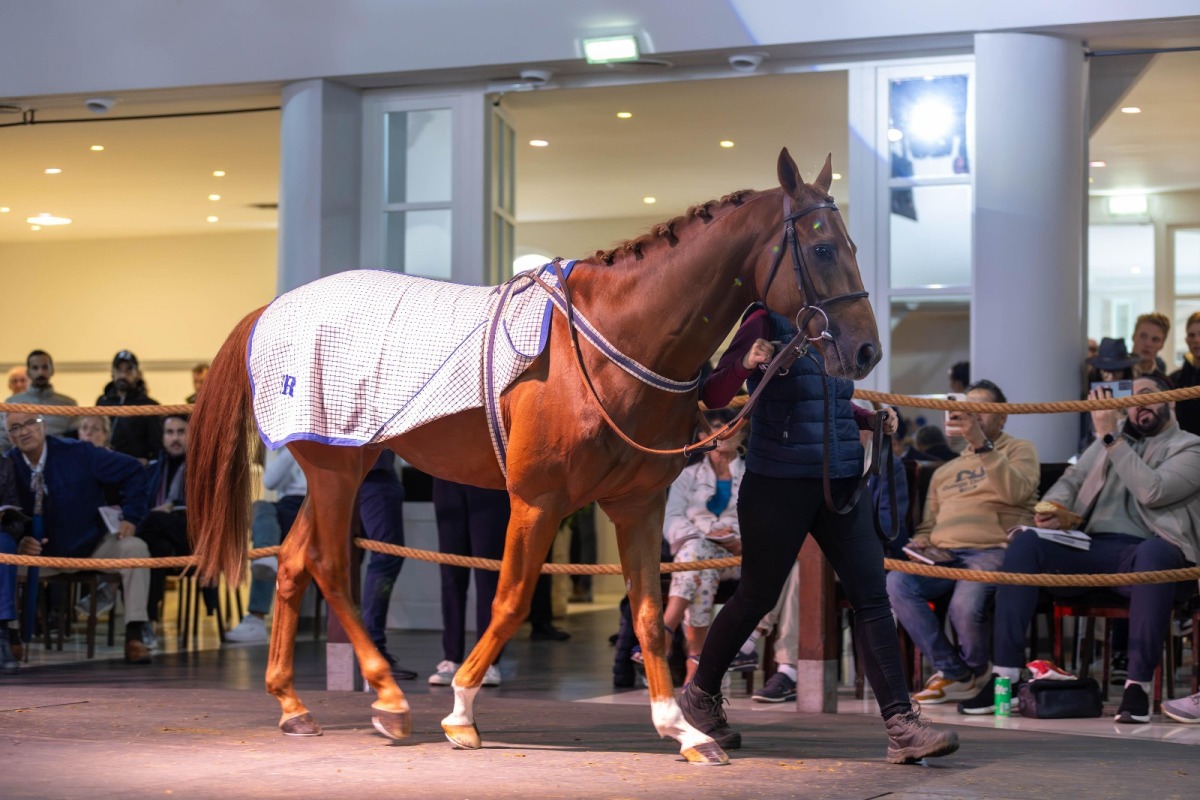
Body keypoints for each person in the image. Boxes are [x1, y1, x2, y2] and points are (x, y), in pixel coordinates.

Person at [679, 303, 958, 763]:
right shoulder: (762, 320)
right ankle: (700, 696)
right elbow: (713, 394)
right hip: (777, 484)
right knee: (756, 596)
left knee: (872, 597)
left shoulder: (834, 324)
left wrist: (868, 419)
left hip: (840, 483)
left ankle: (901, 725)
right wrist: (746, 361)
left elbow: (827, 399)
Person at [958, 374, 1200, 723]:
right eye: (1131, 400)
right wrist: (1054, 509)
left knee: (1154, 553)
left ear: (1172, 400)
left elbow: (1154, 491)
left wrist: (1111, 438)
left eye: (1147, 395)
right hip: (1092, 546)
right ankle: (1005, 677)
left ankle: (1137, 687)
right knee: (1026, 542)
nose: (1138, 405)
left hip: (1151, 552)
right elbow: (1071, 481)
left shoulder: (1189, 447)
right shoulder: (1108, 442)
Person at [887, 379, 1039, 704]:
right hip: (943, 554)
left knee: (963, 605)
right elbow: (928, 524)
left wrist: (981, 444)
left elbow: (1017, 493)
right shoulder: (946, 471)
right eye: (968, 410)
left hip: (993, 550)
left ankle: (975, 669)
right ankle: (956, 672)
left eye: (981, 411)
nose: (973, 416)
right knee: (897, 583)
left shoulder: (1020, 449)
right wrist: (922, 543)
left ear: (1002, 418)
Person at [2, 411, 153, 664]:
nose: (24, 431)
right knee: (4, 560)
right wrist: (20, 541)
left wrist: (131, 517)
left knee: (135, 548)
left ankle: (135, 635)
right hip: (41, 556)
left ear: (44, 424)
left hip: (92, 546)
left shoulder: (79, 452)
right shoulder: (8, 465)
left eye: (30, 423)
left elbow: (133, 469)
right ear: (8, 436)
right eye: (15, 428)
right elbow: (6, 515)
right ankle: (12, 638)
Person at [657, 418, 749, 685]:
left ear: (742, 435)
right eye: (716, 427)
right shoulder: (686, 475)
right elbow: (671, 519)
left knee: (695, 559)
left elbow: (760, 518)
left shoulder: (751, 475)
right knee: (701, 568)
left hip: (737, 556)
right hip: (697, 555)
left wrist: (737, 540)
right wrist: (706, 536)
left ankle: (665, 630)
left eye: (732, 427)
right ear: (701, 436)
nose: (724, 433)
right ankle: (694, 664)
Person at [428, 477, 506, 688]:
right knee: (450, 574)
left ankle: (488, 660)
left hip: (488, 478)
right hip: (447, 477)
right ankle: (451, 658)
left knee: (488, 575)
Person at [225, 446, 307, 643]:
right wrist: (294, 444)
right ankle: (265, 560)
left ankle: (256, 616)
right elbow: (270, 481)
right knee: (260, 508)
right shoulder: (282, 443)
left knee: (266, 525)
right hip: (287, 506)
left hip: (316, 504)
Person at [136, 413, 203, 645]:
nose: (175, 438)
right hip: (162, 539)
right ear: (163, 437)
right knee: (155, 549)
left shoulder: (203, 466)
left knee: (154, 521)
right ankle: (145, 623)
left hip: (191, 537)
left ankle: (114, 589)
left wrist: (172, 508)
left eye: (181, 432)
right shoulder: (154, 468)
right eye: (169, 432)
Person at [357, 450, 416, 679]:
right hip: (372, 471)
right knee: (386, 558)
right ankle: (373, 649)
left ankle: (369, 647)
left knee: (353, 561)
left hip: (352, 471)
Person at [0, 350, 79, 451]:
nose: (40, 372)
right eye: (35, 368)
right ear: (28, 372)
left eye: (45, 367)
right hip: (20, 459)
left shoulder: (69, 404)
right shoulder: (11, 403)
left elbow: (75, 441)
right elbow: (3, 440)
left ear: (52, 370)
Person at [97, 350, 163, 463]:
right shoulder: (102, 402)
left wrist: (148, 462)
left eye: (129, 370)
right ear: (112, 372)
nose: (123, 375)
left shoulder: (150, 405)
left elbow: (158, 446)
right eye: (119, 370)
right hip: (105, 465)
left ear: (138, 374)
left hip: (136, 469)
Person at [0, 454, 28, 673]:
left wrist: (4, 518)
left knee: (4, 544)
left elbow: (15, 519)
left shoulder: (3, 464)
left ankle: (2, 635)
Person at [1168, 311, 1200, 437]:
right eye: (1192, 335)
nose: (1196, 340)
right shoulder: (1175, 379)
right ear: (1186, 340)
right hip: (1183, 445)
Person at [1131, 312, 1171, 379]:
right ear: (1133, 336)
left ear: (1162, 344)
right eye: (1143, 336)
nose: (1148, 344)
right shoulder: (1117, 373)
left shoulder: (1163, 380)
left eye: (1155, 339)